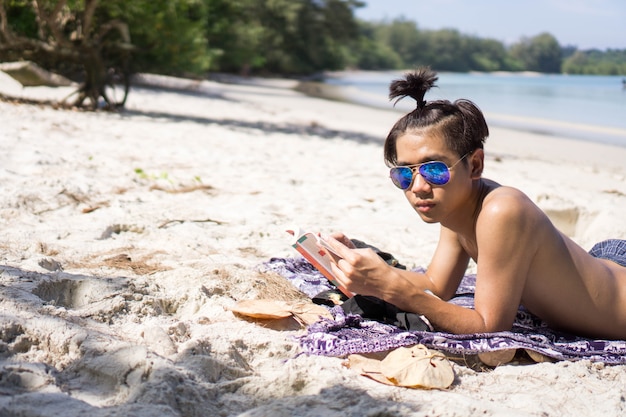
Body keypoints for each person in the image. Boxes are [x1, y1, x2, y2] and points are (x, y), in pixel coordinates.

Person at [322, 67, 626, 340]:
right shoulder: (457, 208)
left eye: (435, 170)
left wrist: (395, 290)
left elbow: (490, 326)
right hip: (604, 264)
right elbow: (436, 284)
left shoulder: (501, 210)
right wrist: (360, 264)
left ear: (475, 165)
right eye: (404, 173)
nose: (418, 187)